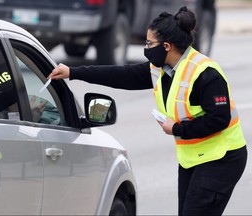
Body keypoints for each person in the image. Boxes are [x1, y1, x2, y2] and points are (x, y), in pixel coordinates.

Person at [48, 6, 247, 216]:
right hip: (194, 158)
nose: (146, 48)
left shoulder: (205, 74)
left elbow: (220, 119)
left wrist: (178, 128)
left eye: (150, 43)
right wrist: (73, 72)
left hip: (222, 158)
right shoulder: (159, 69)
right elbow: (120, 75)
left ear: (167, 46)